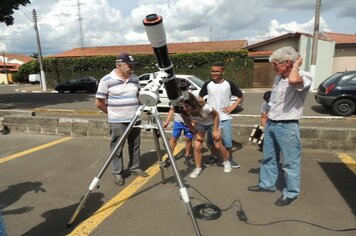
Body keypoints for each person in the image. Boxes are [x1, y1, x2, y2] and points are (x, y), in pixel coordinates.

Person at [248, 47, 312, 207]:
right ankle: (266, 184)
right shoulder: (278, 78)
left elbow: (294, 81)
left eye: (276, 64)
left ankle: (291, 193)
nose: (273, 67)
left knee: (290, 162)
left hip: (288, 126)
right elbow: (274, 101)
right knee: (269, 157)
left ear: (287, 63)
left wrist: (296, 66)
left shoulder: (303, 76)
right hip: (272, 124)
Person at [95, 52, 148, 187]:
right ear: (119, 65)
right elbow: (99, 103)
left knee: (135, 145)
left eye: (132, 65)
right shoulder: (106, 80)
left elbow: (139, 96)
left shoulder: (135, 78)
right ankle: (117, 172)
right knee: (117, 148)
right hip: (117, 121)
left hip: (135, 119)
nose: (132, 68)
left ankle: (134, 167)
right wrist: (113, 113)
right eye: (129, 65)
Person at [199, 61, 244, 169]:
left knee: (227, 141)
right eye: (212, 71)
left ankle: (228, 159)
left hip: (224, 118)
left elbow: (241, 96)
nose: (214, 73)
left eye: (217, 71)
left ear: (223, 71)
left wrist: (233, 106)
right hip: (211, 119)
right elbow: (200, 97)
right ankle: (213, 156)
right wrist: (204, 107)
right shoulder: (207, 84)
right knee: (211, 141)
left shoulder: (229, 84)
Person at [181, 93, 232, 178]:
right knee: (197, 146)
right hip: (201, 124)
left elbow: (216, 115)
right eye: (183, 106)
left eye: (187, 106)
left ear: (193, 104)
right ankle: (198, 168)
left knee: (218, 145)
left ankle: (226, 162)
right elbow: (186, 120)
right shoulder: (183, 111)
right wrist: (193, 130)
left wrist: (215, 130)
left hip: (213, 123)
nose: (185, 109)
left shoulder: (204, 107)